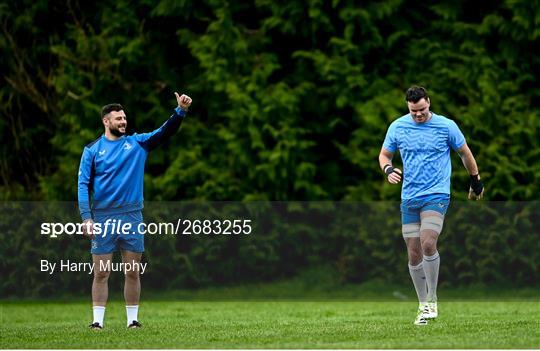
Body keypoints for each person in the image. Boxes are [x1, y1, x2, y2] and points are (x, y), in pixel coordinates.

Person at [78, 92, 192, 329]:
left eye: (124, 118)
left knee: (132, 271)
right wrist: (86, 218)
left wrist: (180, 111)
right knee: (101, 273)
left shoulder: (138, 143)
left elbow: (164, 132)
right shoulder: (91, 150)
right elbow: (82, 185)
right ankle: (97, 323)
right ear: (106, 122)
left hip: (132, 215)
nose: (123, 122)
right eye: (118, 118)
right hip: (103, 217)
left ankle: (133, 321)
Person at [378, 86, 484, 325]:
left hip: (436, 194)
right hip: (409, 197)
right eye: (414, 111)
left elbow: (465, 153)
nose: (418, 115)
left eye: (422, 110)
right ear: (408, 106)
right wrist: (388, 169)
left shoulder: (446, 126)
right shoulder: (397, 127)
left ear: (429, 103)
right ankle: (423, 305)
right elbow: (384, 155)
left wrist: (475, 180)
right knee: (413, 250)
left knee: (428, 241)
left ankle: (432, 299)